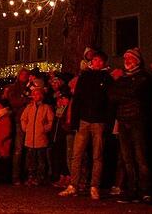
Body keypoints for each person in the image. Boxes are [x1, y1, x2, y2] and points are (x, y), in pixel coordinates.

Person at [60, 50, 111, 200]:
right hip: (84, 121)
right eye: (94, 60)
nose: (96, 62)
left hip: (99, 122)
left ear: (103, 63)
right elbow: (78, 99)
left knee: (97, 155)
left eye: (99, 60)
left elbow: (109, 102)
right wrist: (75, 120)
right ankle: (73, 185)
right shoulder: (85, 76)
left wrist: (107, 122)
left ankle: (94, 186)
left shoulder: (107, 79)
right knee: (77, 154)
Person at [109, 48, 152, 204]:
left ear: (137, 60)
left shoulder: (143, 77)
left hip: (137, 120)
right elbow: (112, 95)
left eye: (130, 57)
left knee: (141, 157)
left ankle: (145, 191)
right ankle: (131, 190)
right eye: (125, 57)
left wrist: (123, 92)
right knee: (127, 158)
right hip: (123, 120)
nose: (126, 60)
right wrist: (124, 92)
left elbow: (135, 93)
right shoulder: (123, 79)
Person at [20, 86, 54, 186]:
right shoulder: (29, 107)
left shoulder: (46, 108)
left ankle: (40, 178)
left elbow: (51, 121)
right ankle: (31, 177)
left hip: (41, 139)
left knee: (41, 160)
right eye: (34, 94)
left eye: (37, 94)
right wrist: (26, 128)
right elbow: (23, 119)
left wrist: (45, 129)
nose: (35, 96)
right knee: (30, 160)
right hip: (30, 139)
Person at [4, 69, 31, 184]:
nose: (24, 76)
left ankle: (28, 175)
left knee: (29, 149)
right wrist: (25, 100)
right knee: (18, 149)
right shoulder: (13, 88)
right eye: (23, 74)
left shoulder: (30, 87)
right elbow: (14, 102)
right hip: (19, 120)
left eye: (26, 75)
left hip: (31, 120)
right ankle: (16, 176)